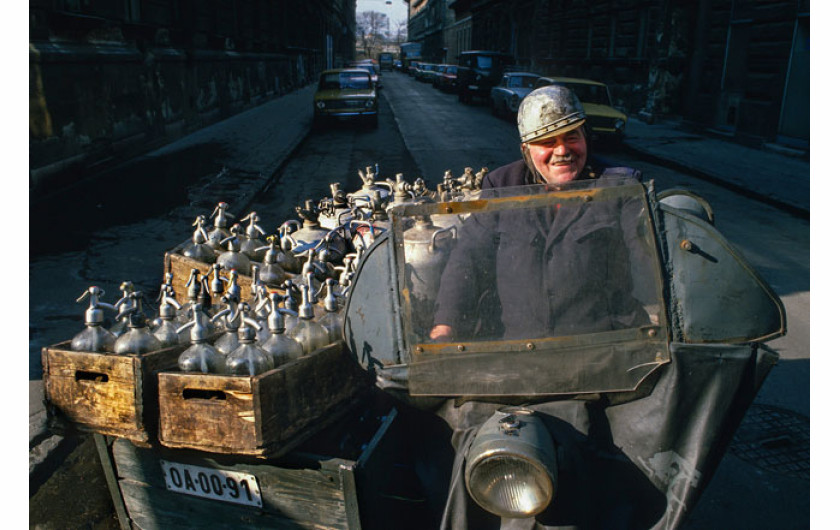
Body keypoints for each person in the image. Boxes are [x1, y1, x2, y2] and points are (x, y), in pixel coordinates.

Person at [428, 85, 650, 342]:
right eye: (547, 142)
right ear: (527, 151)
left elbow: (645, 260)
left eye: (571, 137)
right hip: (520, 351)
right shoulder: (501, 185)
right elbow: (468, 258)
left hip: (600, 352)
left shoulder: (619, 188)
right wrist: (446, 325)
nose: (562, 150)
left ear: (586, 137)